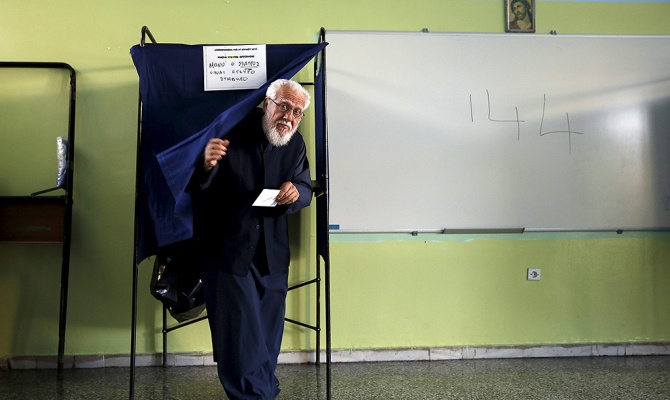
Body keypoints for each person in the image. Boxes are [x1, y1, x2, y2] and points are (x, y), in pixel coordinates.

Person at [190, 79, 313, 399]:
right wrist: (205, 164)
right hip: (228, 249)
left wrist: (296, 192)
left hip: (272, 254)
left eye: (296, 112)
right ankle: (254, 395)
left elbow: (306, 187)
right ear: (266, 103)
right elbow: (193, 188)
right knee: (239, 335)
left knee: (268, 334)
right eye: (283, 106)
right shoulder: (230, 130)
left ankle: (262, 389)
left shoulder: (296, 144)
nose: (288, 117)